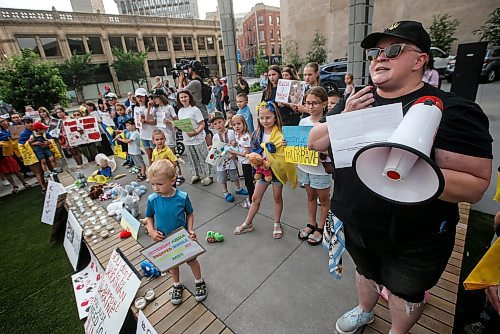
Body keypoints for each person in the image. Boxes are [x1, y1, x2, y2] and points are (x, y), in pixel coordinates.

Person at [308, 20, 492, 334]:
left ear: (420, 60)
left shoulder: (455, 111)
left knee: (405, 291)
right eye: (376, 53)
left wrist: (413, 161)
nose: (380, 58)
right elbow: (314, 141)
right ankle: (365, 310)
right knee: (365, 272)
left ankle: (398, 330)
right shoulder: (357, 100)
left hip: (414, 238)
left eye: (393, 50)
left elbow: (476, 186)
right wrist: (343, 117)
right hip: (354, 221)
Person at [145, 159, 207, 305]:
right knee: (172, 264)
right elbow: (148, 217)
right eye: (152, 184)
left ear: (172, 180)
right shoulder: (152, 199)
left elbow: (190, 213)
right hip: (165, 239)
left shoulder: (182, 197)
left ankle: (199, 281)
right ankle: (177, 285)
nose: (155, 188)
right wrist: (151, 230)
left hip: (182, 237)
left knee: (192, 260)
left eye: (159, 184)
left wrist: (190, 229)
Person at [233, 101, 297, 238]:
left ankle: (277, 222)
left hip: (277, 170)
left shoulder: (282, 134)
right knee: (255, 198)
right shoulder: (257, 134)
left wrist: (287, 145)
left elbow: (287, 154)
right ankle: (248, 223)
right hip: (262, 170)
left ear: (275, 117)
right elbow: (253, 153)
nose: (264, 121)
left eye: (268, 117)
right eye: (261, 118)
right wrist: (256, 163)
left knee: (277, 197)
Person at [293, 87, 332, 246]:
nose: (310, 106)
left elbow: (331, 149)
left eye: (314, 103)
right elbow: (298, 143)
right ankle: (311, 223)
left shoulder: (328, 123)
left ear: (324, 103)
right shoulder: (303, 121)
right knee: (310, 197)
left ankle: (321, 227)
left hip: (320, 170)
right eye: (307, 103)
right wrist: (288, 143)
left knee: (323, 200)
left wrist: (323, 152)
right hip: (304, 167)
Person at [176, 89, 213, 186]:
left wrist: (196, 132)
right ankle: (196, 174)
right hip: (187, 139)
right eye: (181, 97)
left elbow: (202, 124)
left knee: (203, 156)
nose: (183, 99)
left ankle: (209, 175)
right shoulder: (180, 111)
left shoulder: (195, 110)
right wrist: (177, 126)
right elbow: (183, 125)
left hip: (198, 138)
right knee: (192, 158)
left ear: (189, 97)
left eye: (185, 96)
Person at [210, 111, 248, 202]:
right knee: (222, 177)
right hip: (220, 160)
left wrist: (234, 147)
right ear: (212, 126)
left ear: (225, 121)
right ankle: (225, 192)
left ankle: (238, 188)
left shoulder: (231, 132)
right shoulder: (215, 137)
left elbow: (237, 144)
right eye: (215, 124)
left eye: (219, 122)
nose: (218, 125)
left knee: (234, 174)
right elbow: (215, 149)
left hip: (231, 159)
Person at [178, 60, 211, 143]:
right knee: (206, 132)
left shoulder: (194, 82)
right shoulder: (198, 81)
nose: (187, 71)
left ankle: (208, 150)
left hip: (198, 113)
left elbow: (180, 93)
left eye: (188, 69)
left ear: (192, 70)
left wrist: (180, 80)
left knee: (204, 134)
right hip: (202, 111)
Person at [229, 114, 254, 209]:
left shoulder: (246, 137)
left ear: (244, 124)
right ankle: (252, 197)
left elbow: (247, 154)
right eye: (234, 124)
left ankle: (252, 200)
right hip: (242, 162)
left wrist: (234, 152)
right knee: (248, 181)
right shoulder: (237, 135)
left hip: (247, 162)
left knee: (249, 182)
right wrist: (234, 144)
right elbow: (240, 147)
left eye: (239, 124)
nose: (236, 126)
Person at [18, 117, 48, 193]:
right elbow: (21, 146)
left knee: (45, 170)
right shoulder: (24, 134)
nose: (30, 124)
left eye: (31, 122)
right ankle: (43, 187)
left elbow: (48, 138)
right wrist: (33, 143)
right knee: (38, 172)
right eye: (27, 123)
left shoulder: (38, 129)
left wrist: (47, 142)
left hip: (42, 152)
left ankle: (48, 185)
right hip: (32, 155)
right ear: (24, 124)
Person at [0, 115, 29, 193]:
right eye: (1, 122)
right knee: (7, 171)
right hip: (5, 153)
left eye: (3, 121)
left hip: (17, 149)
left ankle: (24, 182)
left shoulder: (13, 127)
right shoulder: (1, 131)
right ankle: (14, 186)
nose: (3, 123)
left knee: (17, 169)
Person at [134, 87, 155, 166]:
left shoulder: (150, 107)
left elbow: (154, 122)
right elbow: (136, 122)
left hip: (152, 134)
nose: (139, 99)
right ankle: (151, 172)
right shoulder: (136, 108)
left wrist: (145, 121)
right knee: (149, 155)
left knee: (155, 155)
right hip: (143, 135)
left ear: (145, 97)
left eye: (141, 96)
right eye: (138, 97)